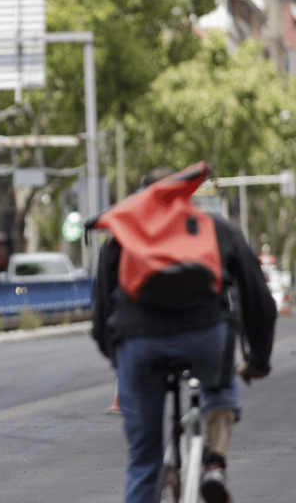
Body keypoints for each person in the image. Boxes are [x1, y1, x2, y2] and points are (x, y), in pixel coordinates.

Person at [92, 166, 276, 503]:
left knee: (143, 461)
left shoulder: (122, 235)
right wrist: (258, 359)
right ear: (186, 193)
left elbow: (101, 312)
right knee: (220, 385)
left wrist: (119, 356)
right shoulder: (215, 228)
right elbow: (258, 299)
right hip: (205, 336)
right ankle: (214, 465)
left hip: (139, 342)